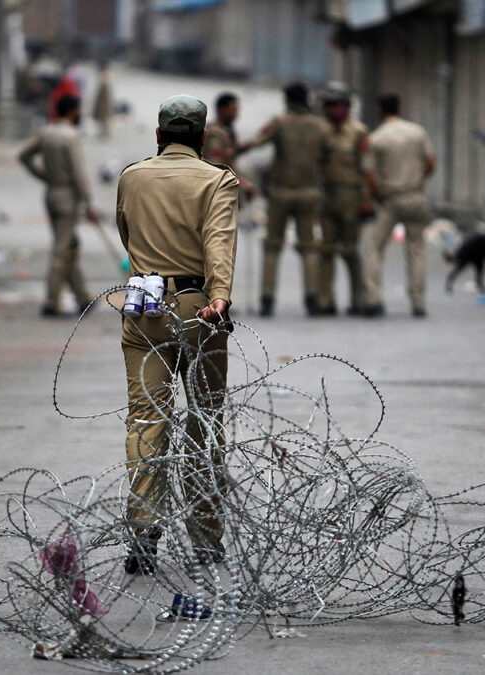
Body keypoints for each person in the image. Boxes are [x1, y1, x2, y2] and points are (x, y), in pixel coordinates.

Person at [115, 94, 238, 573]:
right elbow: (219, 242)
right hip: (200, 308)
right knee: (204, 422)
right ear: (203, 138)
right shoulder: (218, 180)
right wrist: (220, 296)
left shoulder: (131, 176)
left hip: (143, 307)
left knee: (146, 418)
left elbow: (125, 232)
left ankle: (144, 531)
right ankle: (206, 540)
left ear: (160, 135)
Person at [237, 82, 328, 317]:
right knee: (309, 246)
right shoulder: (320, 126)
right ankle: (312, 298)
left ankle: (267, 299)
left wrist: (232, 151)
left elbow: (256, 141)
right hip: (310, 192)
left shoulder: (280, 123)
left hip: (280, 192)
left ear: (287, 100)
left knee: (272, 246)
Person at [18, 95, 100, 316]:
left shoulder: (47, 132)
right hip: (67, 197)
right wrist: (88, 202)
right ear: (73, 111)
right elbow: (77, 173)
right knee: (62, 249)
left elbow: (24, 156)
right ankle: (51, 300)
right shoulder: (70, 136)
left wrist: (44, 175)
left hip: (51, 193)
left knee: (69, 245)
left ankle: (83, 297)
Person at [361, 93, 436, 318]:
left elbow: (370, 174)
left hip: (390, 200)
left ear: (380, 111)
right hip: (415, 197)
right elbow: (431, 163)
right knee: (416, 249)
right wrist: (418, 180)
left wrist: (379, 196)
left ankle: (374, 299)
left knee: (373, 247)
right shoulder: (417, 132)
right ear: (400, 108)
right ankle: (418, 302)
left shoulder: (377, 138)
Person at [317, 83, 373, 316]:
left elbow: (367, 169)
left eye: (334, 105)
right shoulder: (322, 131)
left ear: (345, 106)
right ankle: (324, 301)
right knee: (326, 249)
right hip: (327, 195)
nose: (330, 110)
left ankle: (359, 300)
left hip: (351, 194)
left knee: (350, 250)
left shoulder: (359, 132)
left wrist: (366, 199)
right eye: (327, 105)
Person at [91, 60, 113, 138]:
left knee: (104, 120)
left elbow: (105, 98)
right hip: (103, 106)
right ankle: (104, 132)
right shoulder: (105, 83)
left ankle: (105, 132)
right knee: (103, 120)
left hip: (104, 106)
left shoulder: (105, 84)